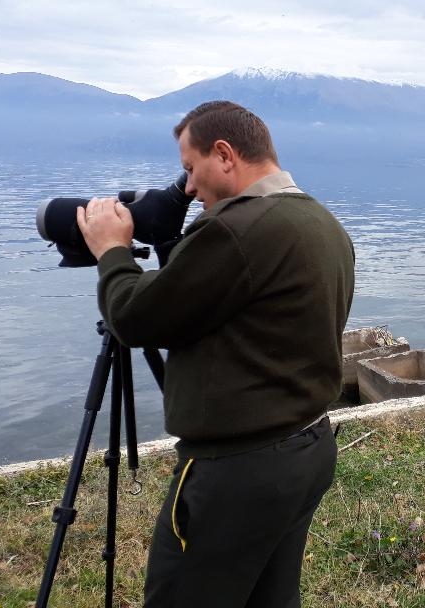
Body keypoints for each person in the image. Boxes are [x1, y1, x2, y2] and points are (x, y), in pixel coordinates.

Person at [76, 100, 355, 607]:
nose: (187, 187)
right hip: (305, 448)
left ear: (224, 154)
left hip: (237, 474)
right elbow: (212, 310)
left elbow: (136, 317)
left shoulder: (236, 230)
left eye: (190, 168)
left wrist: (112, 251)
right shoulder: (319, 220)